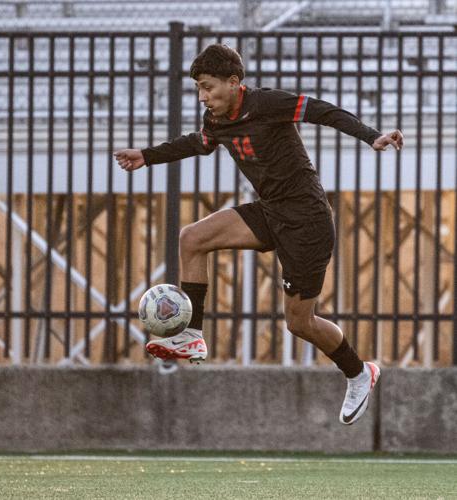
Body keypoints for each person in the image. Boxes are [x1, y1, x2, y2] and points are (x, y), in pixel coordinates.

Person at [114, 44, 403, 425]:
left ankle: (358, 372)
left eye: (208, 87)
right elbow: (198, 143)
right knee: (192, 238)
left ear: (234, 83)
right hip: (270, 211)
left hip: (307, 222)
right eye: (198, 88)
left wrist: (371, 137)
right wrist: (147, 155)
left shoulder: (267, 104)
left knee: (300, 322)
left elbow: (323, 111)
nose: (203, 96)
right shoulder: (215, 118)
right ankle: (191, 335)